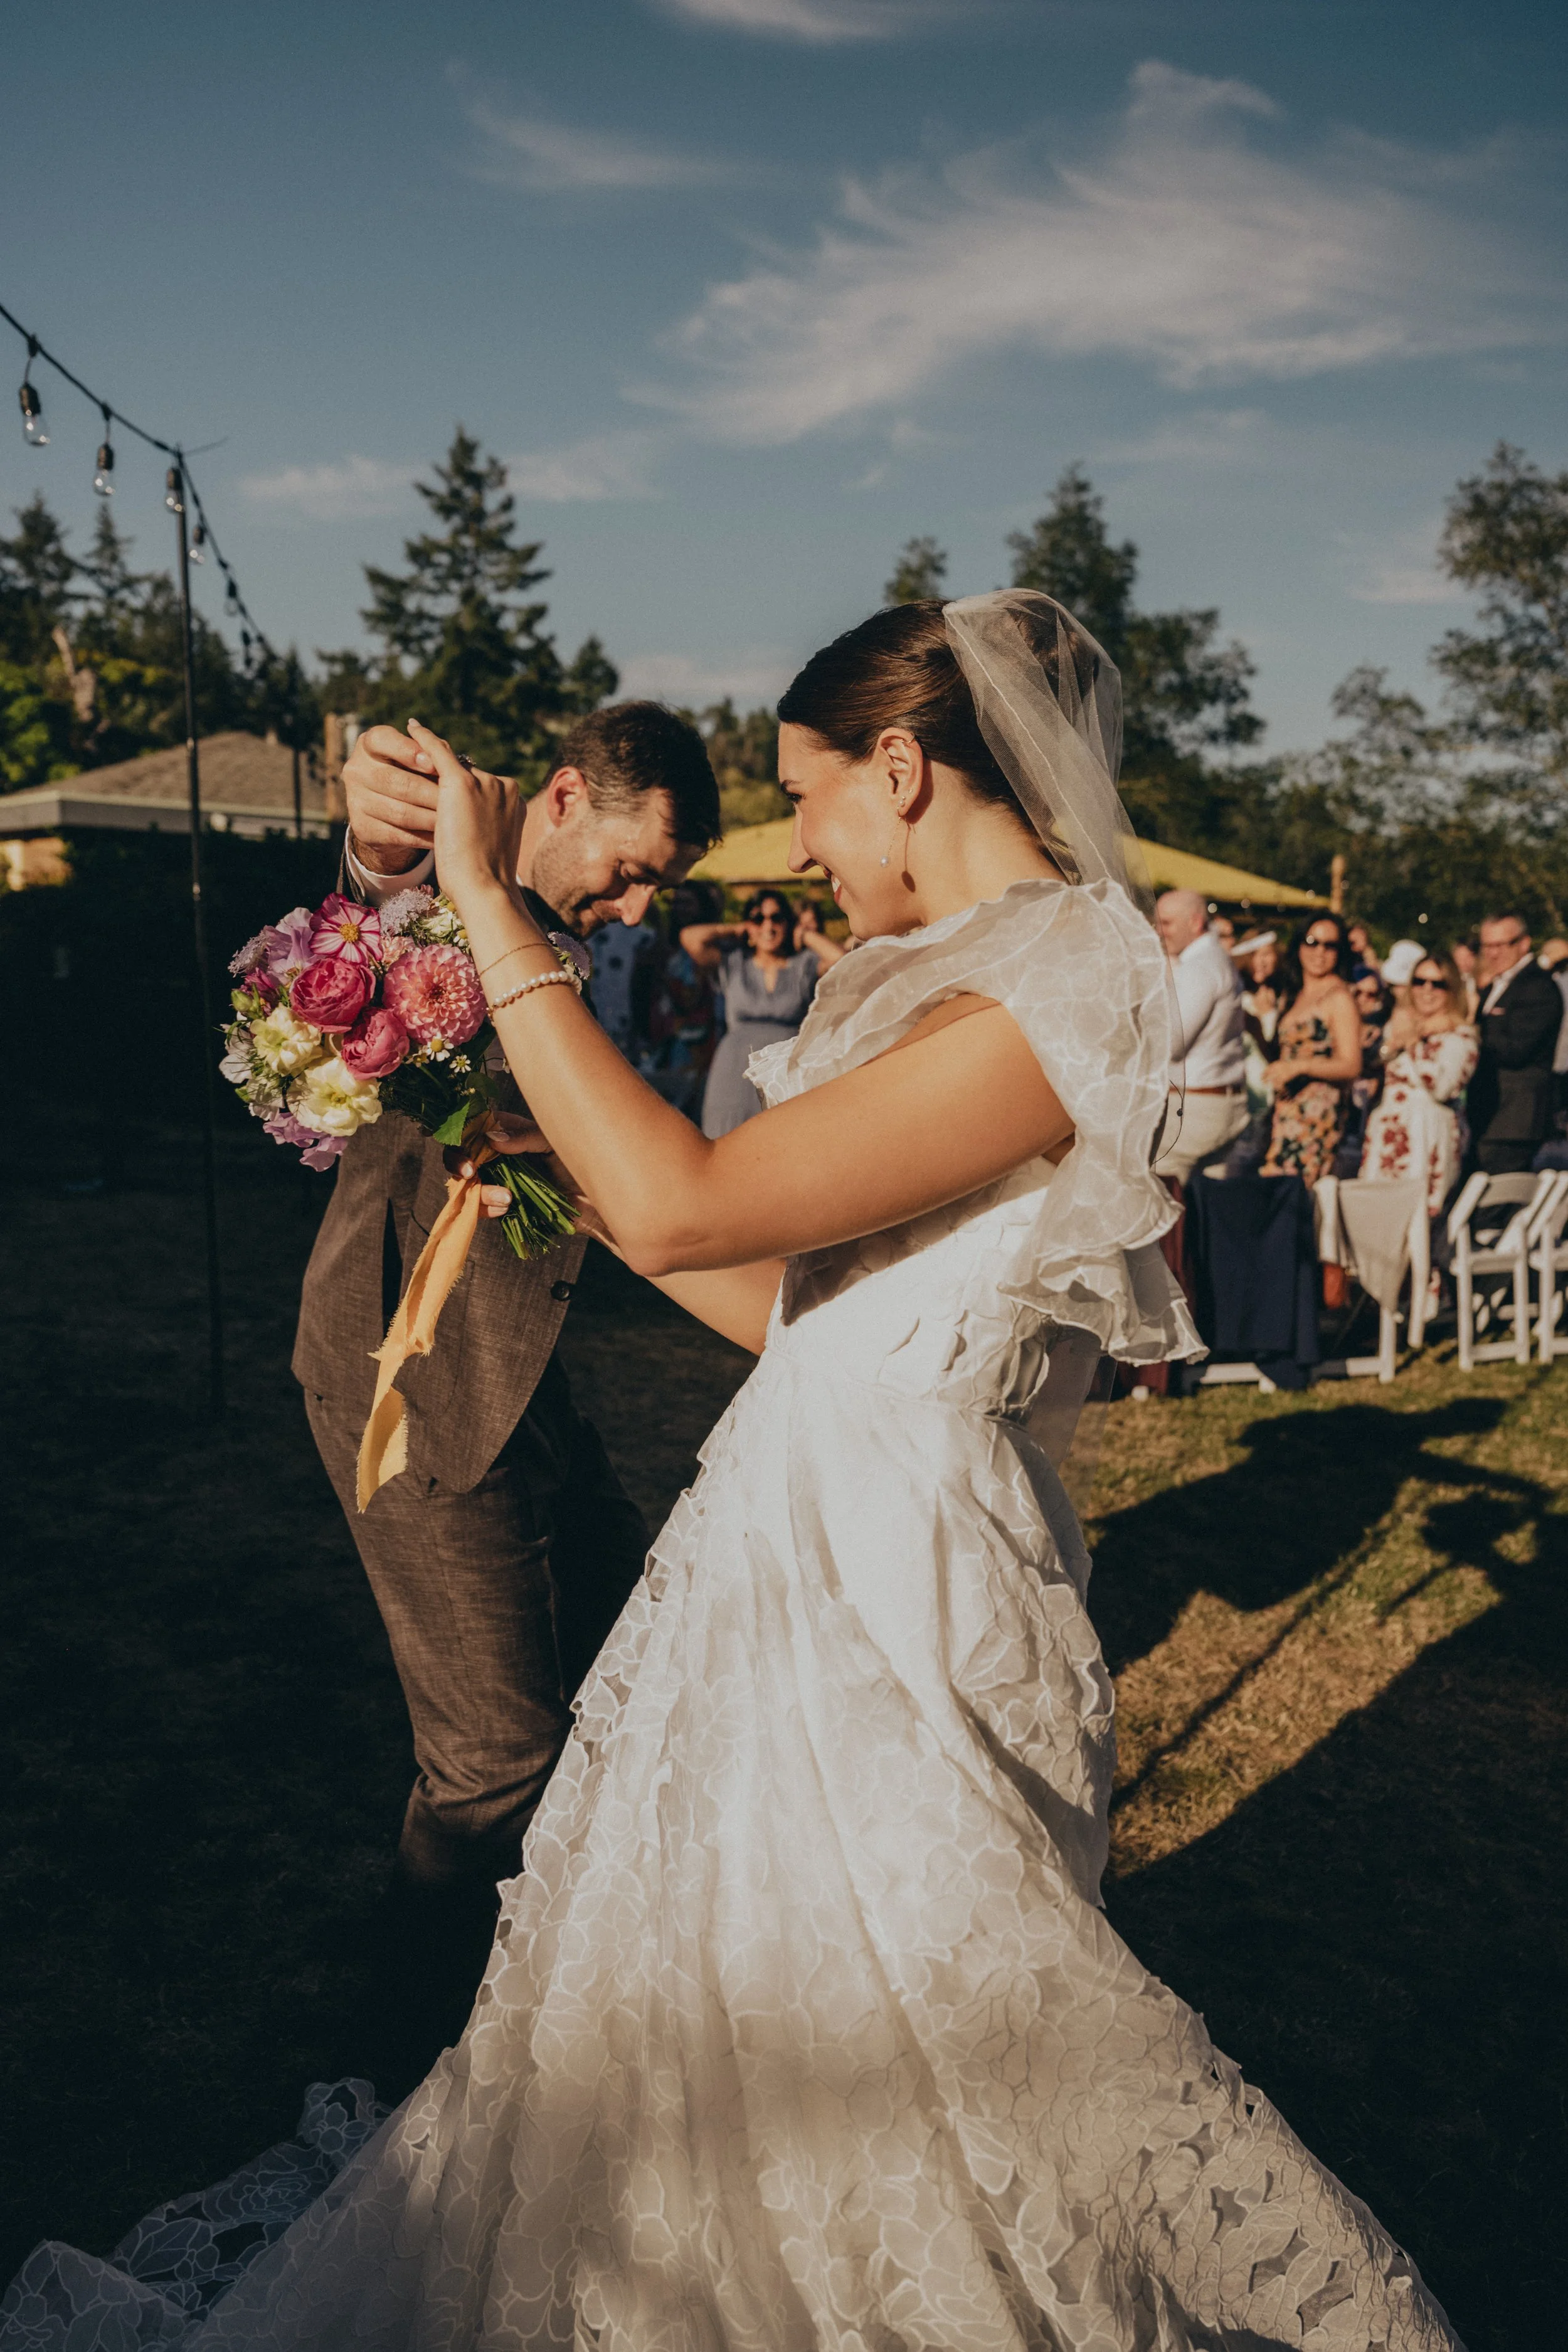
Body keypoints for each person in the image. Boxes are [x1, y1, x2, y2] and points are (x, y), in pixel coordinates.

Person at [4, 593, 1461, 2349]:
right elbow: (777, 1292)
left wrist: (484, 901)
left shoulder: (1061, 972)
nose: (803, 844)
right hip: (786, 1539)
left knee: (919, 2032)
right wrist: (481, 1068)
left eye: (810, 795)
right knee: (719, 2027)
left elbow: (691, 1188)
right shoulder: (943, 974)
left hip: (899, 1585)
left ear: (903, 766)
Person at [292, 701, 719, 2030]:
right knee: (493, 1762)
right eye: (633, 865)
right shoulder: (460, 908)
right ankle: (405, 2039)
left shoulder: (562, 948)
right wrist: (378, 845)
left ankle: (562, 1975)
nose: (635, 902)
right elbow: (374, 899)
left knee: (627, 1657)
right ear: (564, 793)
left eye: (658, 886)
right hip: (406, 1385)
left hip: (523, 1375)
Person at [684, 886, 845, 1136]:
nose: (768, 927)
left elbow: (841, 960)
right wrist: (738, 928)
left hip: (786, 1071)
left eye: (777, 918)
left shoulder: (804, 966)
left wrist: (804, 935)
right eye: (759, 919)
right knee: (728, 1140)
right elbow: (690, 938)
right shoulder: (734, 964)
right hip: (734, 1070)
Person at [1362, 953, 1478, 1212]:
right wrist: (1392, 1043)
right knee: (1376, 1214)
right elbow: (1369, 1066)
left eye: (1438, 984)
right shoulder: (1397, 1025)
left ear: (1452, 990)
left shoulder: (1461, 1037)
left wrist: (1414, 1041)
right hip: (1387, 1133)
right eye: (1420, 981)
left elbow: (1442, 1087)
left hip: (1427, 1138)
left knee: (1419, 1220)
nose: (1427, 990)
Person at [1152, 886, 1248, 1184]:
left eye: (1167, 923)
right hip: (1223, 1101)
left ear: (1195, 923)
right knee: (1209, 1209)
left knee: (1157, 1194)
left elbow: (1169, 1042)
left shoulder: (1199, 968)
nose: (1159, 930)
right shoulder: (1215, 959)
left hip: (1195, 1110)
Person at [1258, 913, 1363, 1187]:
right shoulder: (1296, 993)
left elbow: (1351, 1064)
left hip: (1316, 1114)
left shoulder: (1338, 997)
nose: (1320, 952)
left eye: (1331, 946)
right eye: (1312, 942)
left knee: (1295, 1196)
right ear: (1299, 946)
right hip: (1287, 1110)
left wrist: (1300, 1067)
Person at [1468, 910, 1565, 1172]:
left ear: (1523, 943)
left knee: (1489, 1206)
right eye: (1486, 946)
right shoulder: (1495, 985)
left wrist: (1468, 1034)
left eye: (1500, 945)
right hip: (1487, 1116)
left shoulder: (1538, 987)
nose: (1492, 953)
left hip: (1513, 1122)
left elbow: (1515, 1050)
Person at [644, 881, 723, 1118]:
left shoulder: (715, 946)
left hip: (706, 1037)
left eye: (687, 903)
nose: (680, 908)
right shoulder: (666, 944)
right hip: (670, 1039)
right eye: (676, 902)